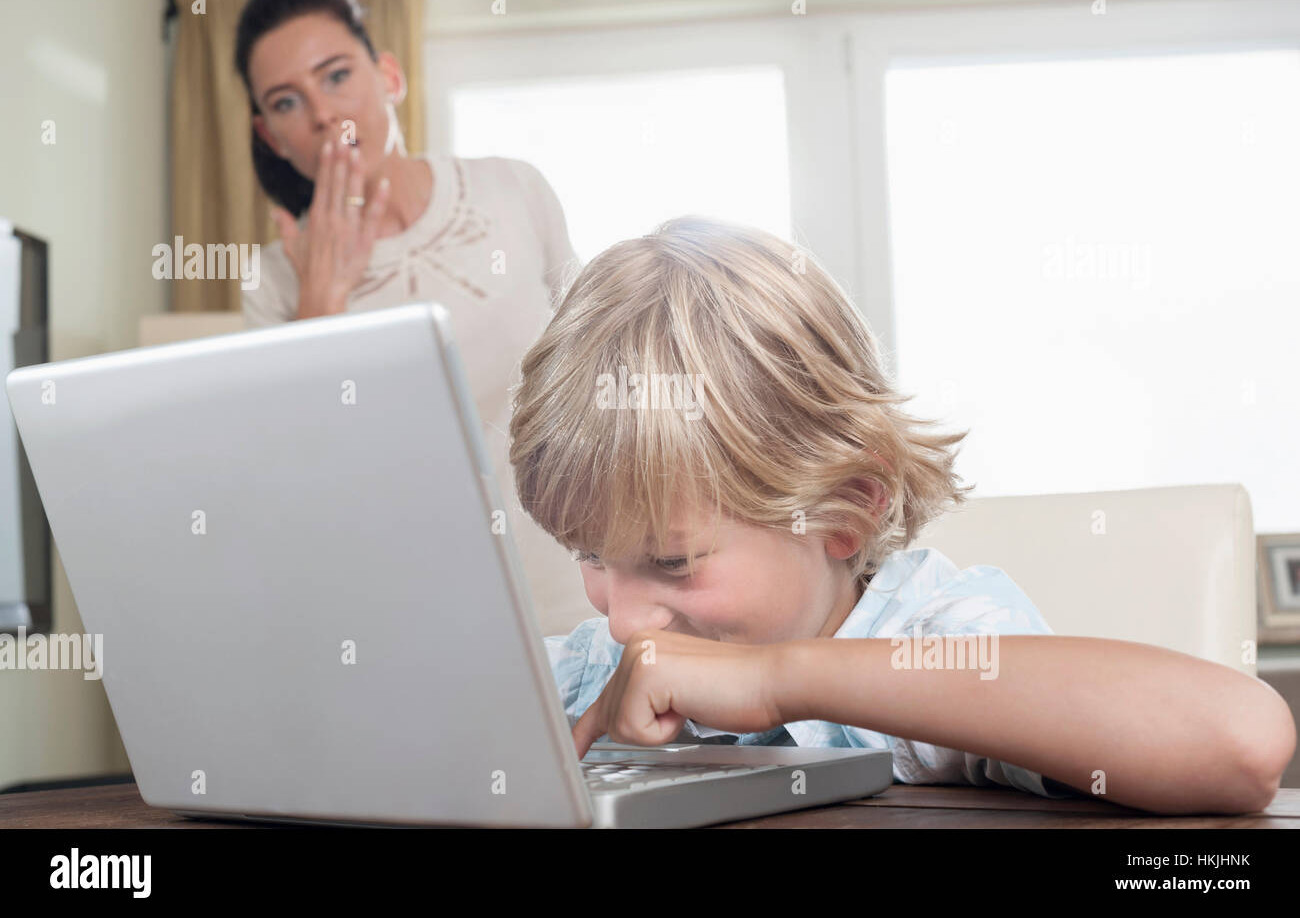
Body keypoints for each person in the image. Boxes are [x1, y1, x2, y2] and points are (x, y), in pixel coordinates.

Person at [510, 215, 1295, 815]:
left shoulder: (930, 636)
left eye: (674, 562)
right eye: (590, 555)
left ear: (846, 509)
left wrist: (778, 681)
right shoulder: (592, 673)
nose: (621, 621)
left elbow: (1243, 742)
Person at [234, 0, 586, 631]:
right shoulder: (274, 280)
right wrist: (321, 304)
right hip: (407, 620)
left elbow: (599, 380)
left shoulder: (513, 188)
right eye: (287, 101)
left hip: (578, 596)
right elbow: (298, 490)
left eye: (336, 75)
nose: (320, 113)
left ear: (389, 76)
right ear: (272, 134)